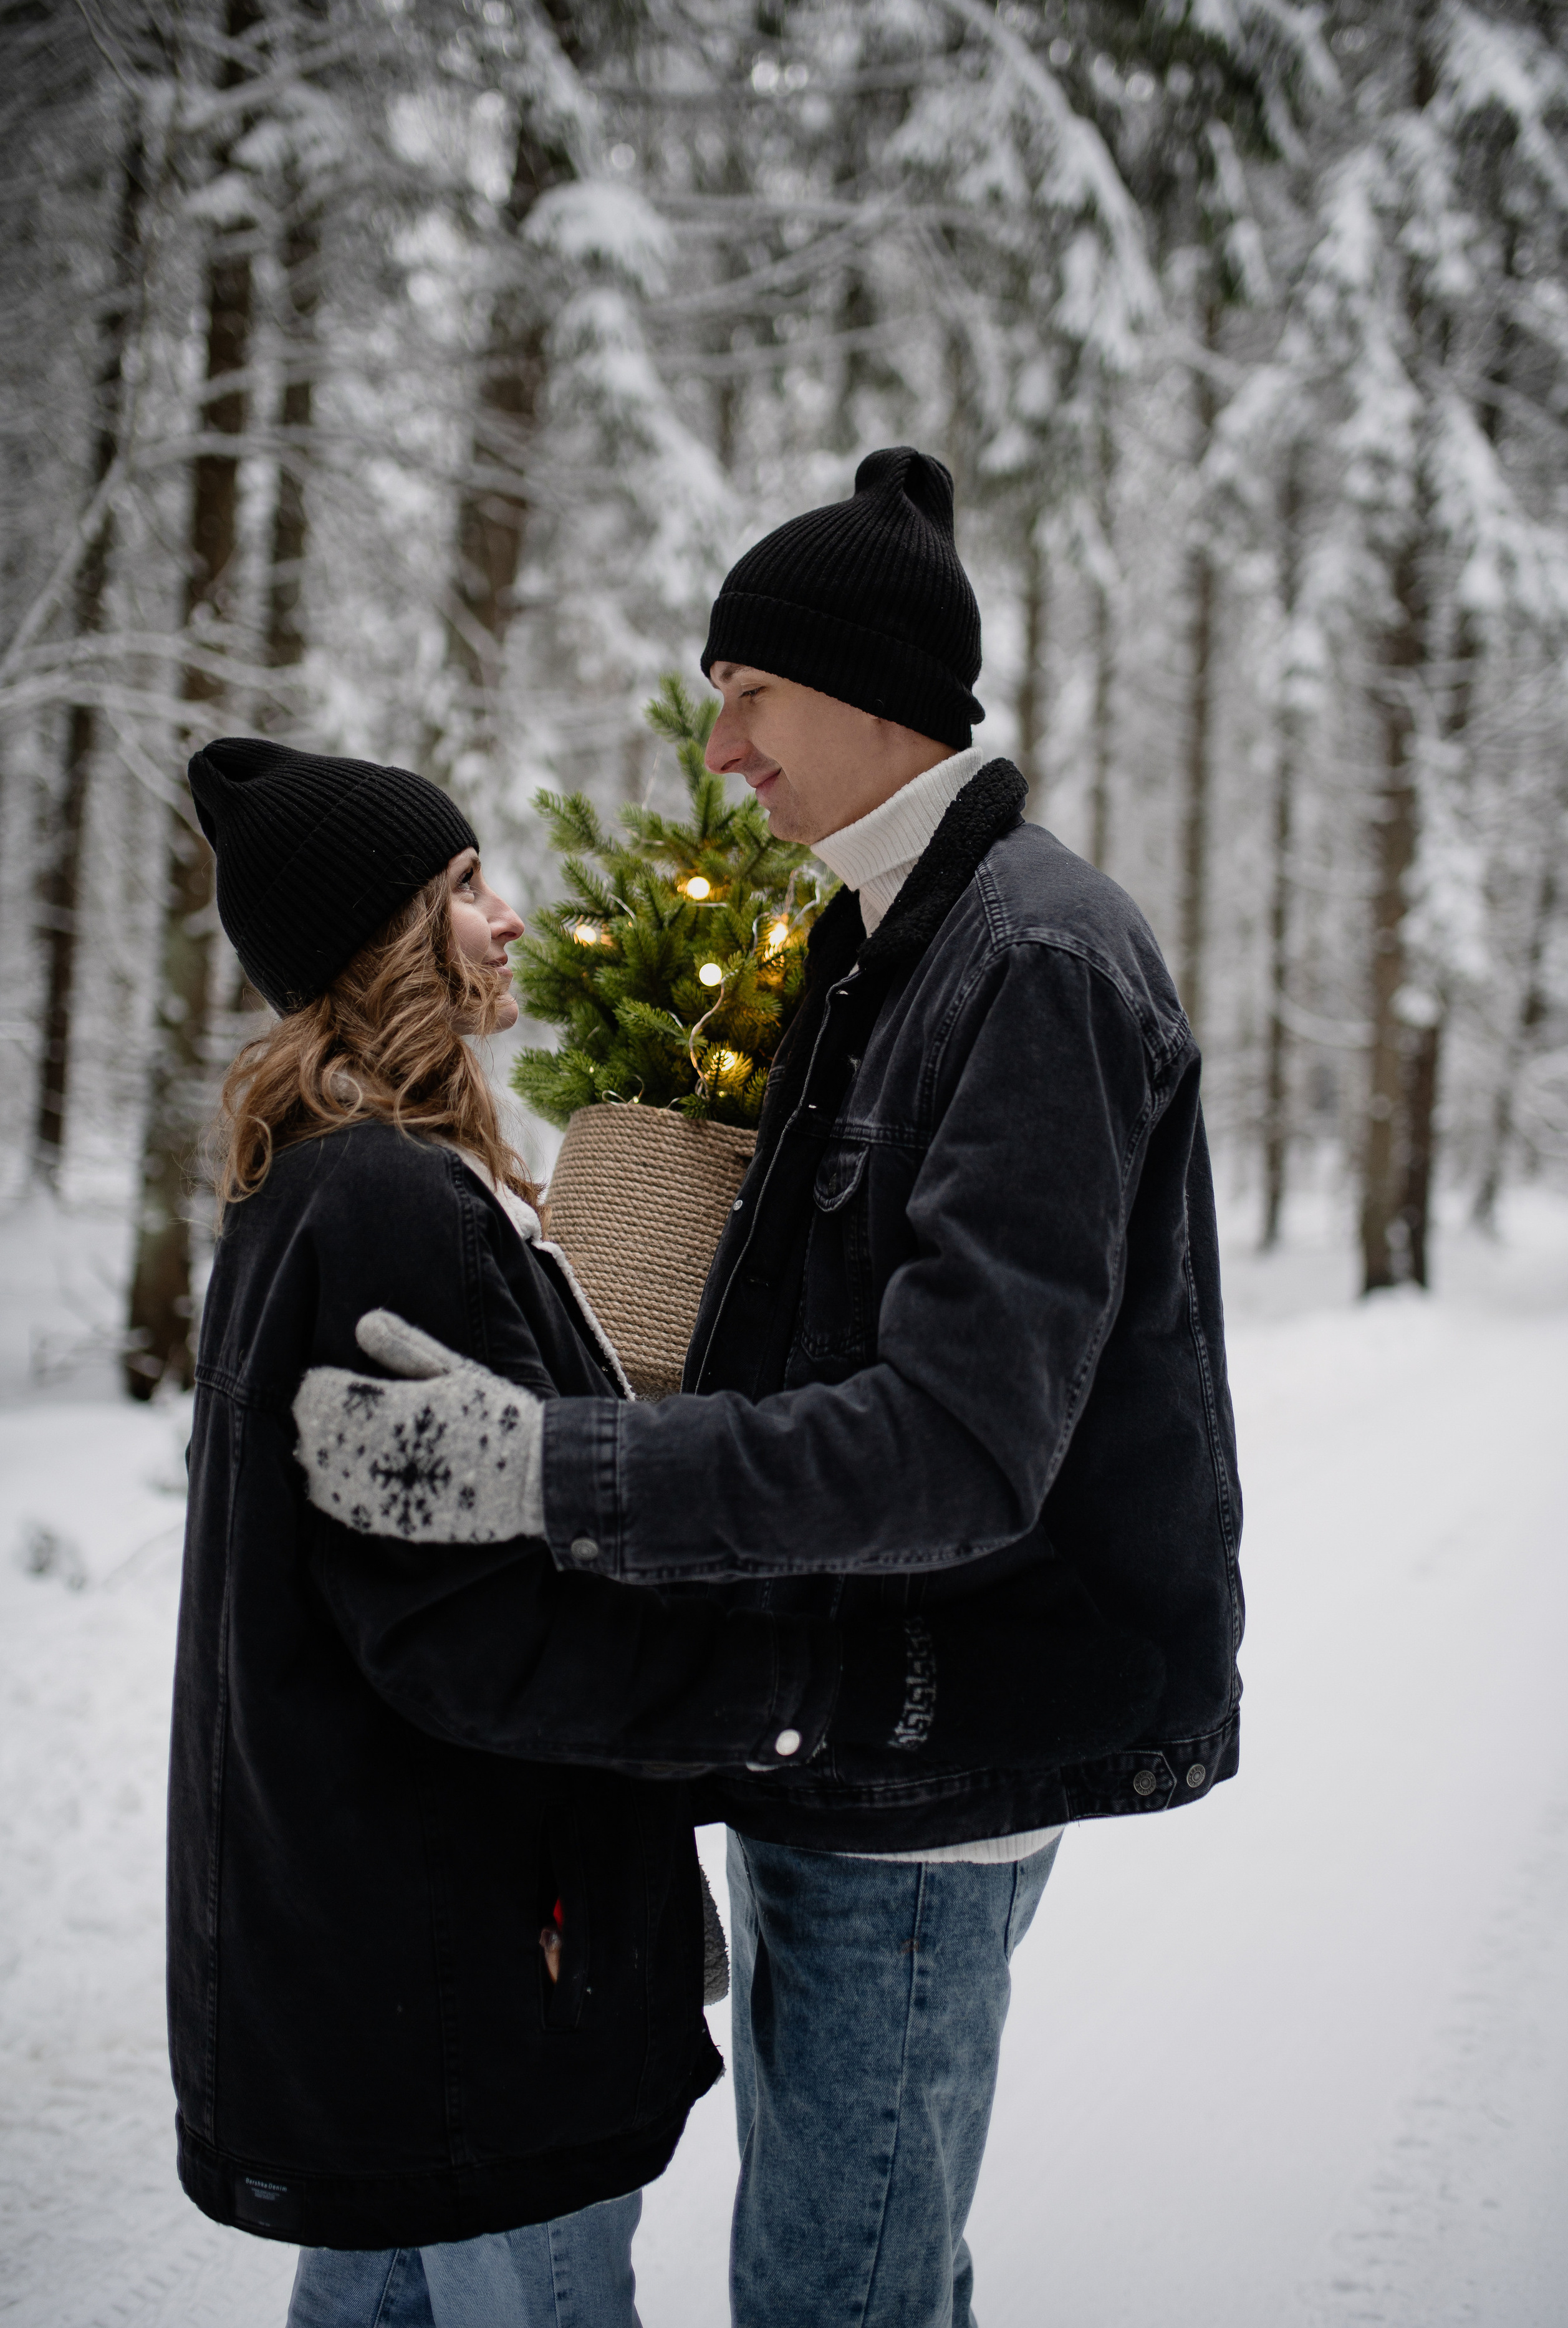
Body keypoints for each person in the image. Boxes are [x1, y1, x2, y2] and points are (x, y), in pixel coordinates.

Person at [295, 447, 1243, 2328]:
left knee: (840, 2296)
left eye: (749, 697)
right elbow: (803, 1316)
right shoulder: (879, 937)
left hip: (933, 1742)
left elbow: (959, 1445)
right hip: (845, 1711)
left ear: (875, 697)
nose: (719, 747)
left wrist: (559, 1475)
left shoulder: (1034, 957)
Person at [173, 735, 1113, 2328]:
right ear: (380, 940)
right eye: (463, 891)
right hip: (469, 1968)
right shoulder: (392, 1200)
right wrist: (783, 1701)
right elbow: (465, 1636)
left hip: (392, 1961)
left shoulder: (324, 1187)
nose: (509, 918)